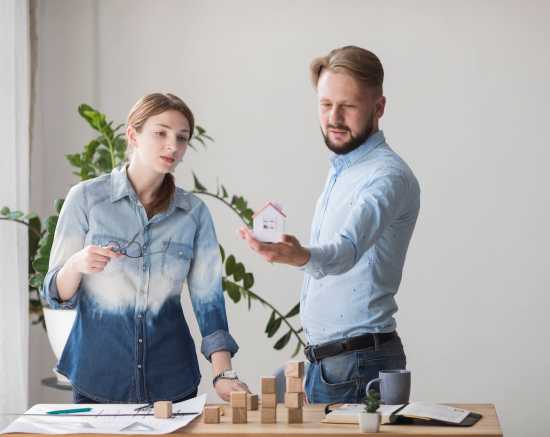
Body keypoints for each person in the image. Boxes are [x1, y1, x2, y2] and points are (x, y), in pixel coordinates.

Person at [239, 46, 420, 403]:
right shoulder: (343, 169)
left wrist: (299, 255)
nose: (334, 118)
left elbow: (346, 251)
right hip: (335, 363)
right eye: (325, 105)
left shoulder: (386, 177)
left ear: (379, 108)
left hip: (357, 366)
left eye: (348, 106)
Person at [42, 93, 249, 403]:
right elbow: (54, 292)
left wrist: (223, 373)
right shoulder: (85, 199)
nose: (173, 146)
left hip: (173, 382)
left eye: (182, 138)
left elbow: (209, 303)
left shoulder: (193, 213)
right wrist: (76, 264)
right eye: (161, 133)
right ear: (132, 135)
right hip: (97, 379)